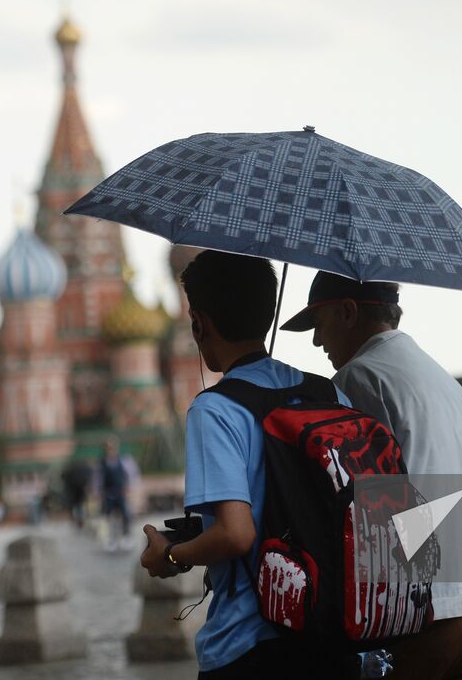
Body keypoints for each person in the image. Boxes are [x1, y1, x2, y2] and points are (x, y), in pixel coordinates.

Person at [281, 272, 462, 680]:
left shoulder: (360, 378)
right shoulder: (446, 382)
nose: (317, 342)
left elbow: (354, 505)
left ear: (348, 312)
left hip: (421, 614)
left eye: (319, 324)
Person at [138, 251, 347, 678]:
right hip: (334, 634)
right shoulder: (328, 395)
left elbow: (235, 533)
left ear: (199, 323)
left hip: (250, 643)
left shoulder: (215, 408)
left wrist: (172, 556)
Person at [98, 437, 132, 549]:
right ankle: (110, 539)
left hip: (120, 493)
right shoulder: (103, 463)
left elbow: (128, 475)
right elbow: (99, 479)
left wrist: (127, 487)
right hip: (108, 494)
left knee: (125, 515)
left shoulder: (122, 460)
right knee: (108, 518)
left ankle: (125, 537)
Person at [61, 456, 92, 530]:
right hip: (77, 495)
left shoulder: (71, 473)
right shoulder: (79, 474)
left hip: (76, 495)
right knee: (78, 508)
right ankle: (79, 522)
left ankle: (78, 522)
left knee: (78, 509)